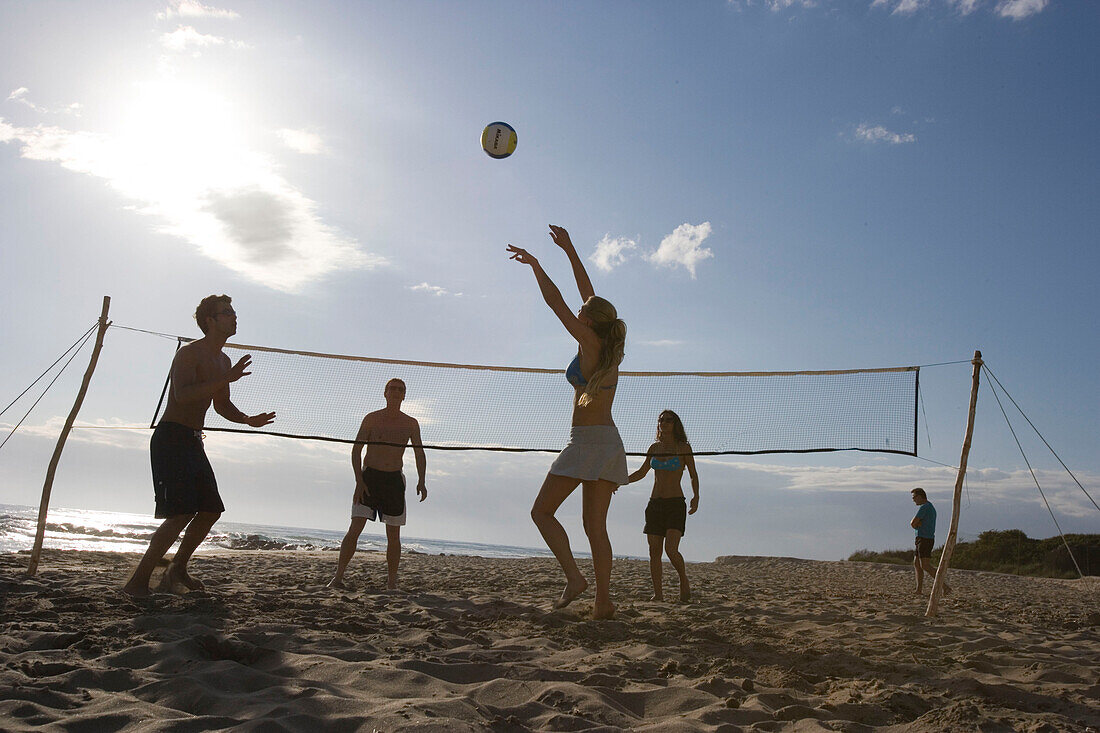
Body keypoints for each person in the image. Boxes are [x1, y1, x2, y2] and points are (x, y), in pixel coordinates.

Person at [507, 224, 628, 620]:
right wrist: (570, 249)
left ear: (589, 323)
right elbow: (586, 295)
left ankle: (577, 579)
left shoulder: (590, 342)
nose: (578, 312)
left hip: (588, 442)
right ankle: (602, 603)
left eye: (583, 314)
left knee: (541, 512)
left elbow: (557, 302)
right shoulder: (605, 342)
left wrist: (537, 265)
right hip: (606, 442)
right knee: (595, 529)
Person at [123, 295, 275, 597]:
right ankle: (137, 581)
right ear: (210, 320)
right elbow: (183, 395)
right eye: (227, 312)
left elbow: (221, 405)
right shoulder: (190, 354)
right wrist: (226, 378)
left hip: (193, 440)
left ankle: (176, 569)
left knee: (210, 510)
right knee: (179, 513)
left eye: (234, 312)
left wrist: (247, 419)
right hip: (171, 438)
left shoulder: (223, 360)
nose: (234, 317)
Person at [328, 378, 427, 590]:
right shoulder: (372, 418)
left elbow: (419, 452)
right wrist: (359, 480)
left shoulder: (410, 423)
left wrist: (422, 480)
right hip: (370, 478)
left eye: (400, 389)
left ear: (404, 395)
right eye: (392, 388)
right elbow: (356, 450)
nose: (396, 392)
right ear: (385, 393)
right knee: (355, 527)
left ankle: (391, 583)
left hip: (393, 480)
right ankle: (338, 577)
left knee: (393, 534)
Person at [627, 410, 699, 602]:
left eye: (668, 420)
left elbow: (693, 474)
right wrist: (620, 481)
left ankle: (683, 580)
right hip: (655, 504)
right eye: (661, 420)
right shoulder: (654, 448)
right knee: (654, 551)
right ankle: (658, 594)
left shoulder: (683, 447)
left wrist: (696, 496)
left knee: (671, 549)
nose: (664, 423)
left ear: (676, 424)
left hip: (675, 503)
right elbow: (642, 472)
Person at [911, 487, 950, 596]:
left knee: (925, 566)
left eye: (914, 497)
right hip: (921, 538)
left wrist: (917, 524)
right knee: (917, 564)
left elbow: (913, 523)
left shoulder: (925, 507)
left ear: (920, 496)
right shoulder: (928, 507)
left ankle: (945, 587)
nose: (913, 500)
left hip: (925, 539)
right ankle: (919, 589)